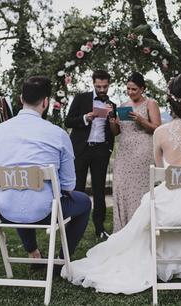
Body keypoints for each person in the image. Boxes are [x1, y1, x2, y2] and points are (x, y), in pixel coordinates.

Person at [62, 73, 181, 294]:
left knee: (150, 204)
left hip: (170, 212)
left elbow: (161, 171)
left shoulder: (161, 132)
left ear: (172, 101)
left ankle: (158, 257)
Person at [0, 76, 91, 272]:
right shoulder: (58, 134)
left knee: (16, 191)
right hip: (45, 213)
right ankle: (60, 261)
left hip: (5, 211)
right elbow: (68, 185)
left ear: (20, 99)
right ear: (46, 102)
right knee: (84, 202)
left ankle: (33, 252)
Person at [65, 70, 117, 239]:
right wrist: (86, 118)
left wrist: (111, 118)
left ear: (109, 84)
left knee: (99, 190)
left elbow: (114, 131)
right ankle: (74, 225)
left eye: (105, 86)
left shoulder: (112, 104)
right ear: (93, 83)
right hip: (81, 149)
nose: (102, 89)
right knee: (77, 188)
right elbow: (68, 121)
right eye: (98, 86)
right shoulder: (81, 98)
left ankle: (100, 228)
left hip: (101, 150)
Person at [109, 72, 161, 232]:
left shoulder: (150, 104)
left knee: (139, 191)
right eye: (128, 89)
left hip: (143, 151)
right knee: (121, 188)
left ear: (143, 89)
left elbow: (158, 128)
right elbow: (116, 132)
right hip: (124, 151)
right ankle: (123, 230)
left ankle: (140, 229)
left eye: (134, 89)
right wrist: (113, 122)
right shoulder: (123, 105)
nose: (131, 92)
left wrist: (141, 120)